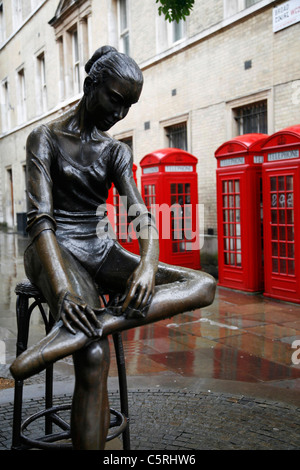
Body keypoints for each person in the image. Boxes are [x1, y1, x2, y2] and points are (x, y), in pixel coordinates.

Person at [10, 46, 216, 449]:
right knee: (93, 357)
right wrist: (65, 291)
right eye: (115, 99)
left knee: (203, 284)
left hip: (98, 247)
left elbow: (142, 215)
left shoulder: (116, 150)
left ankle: (90, 325)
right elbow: (41, 221)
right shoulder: (45, 138)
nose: (120, 114)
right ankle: (83, 331)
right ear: (91, 85)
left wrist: (146, 264)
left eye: (129, 106)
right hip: (51, 248)